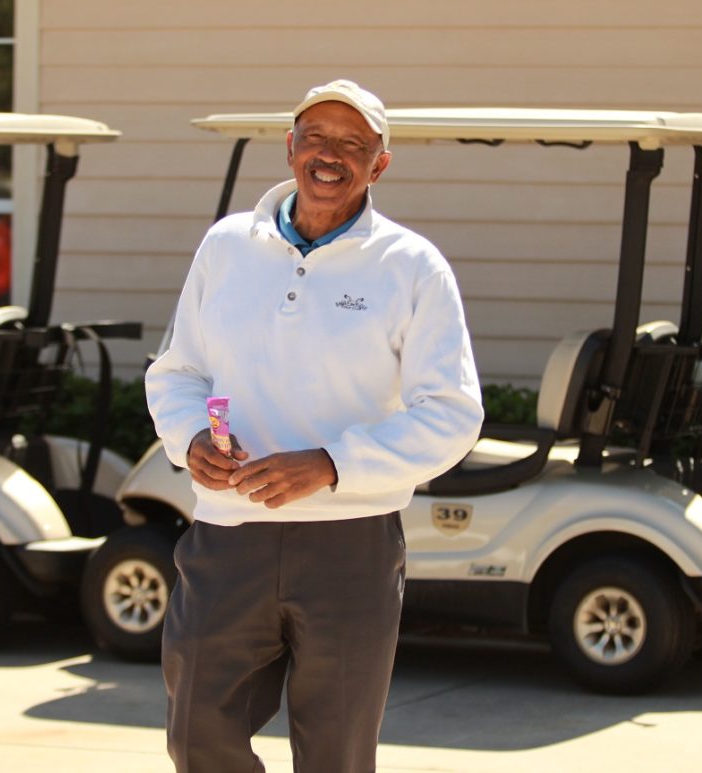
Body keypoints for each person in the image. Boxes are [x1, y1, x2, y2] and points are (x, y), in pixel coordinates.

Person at [145, 79, 484, 773]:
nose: (331, 155)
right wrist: (189, 439)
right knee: (195, 733)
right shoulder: (224, 247)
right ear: (291, 145)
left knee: (337, 751)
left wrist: (330, 463)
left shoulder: (413, 267)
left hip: (350, 545)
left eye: (353, 144)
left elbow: (452, 413)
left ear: (380, 164)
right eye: (317, 137)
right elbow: (176, 373)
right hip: (227, 534)